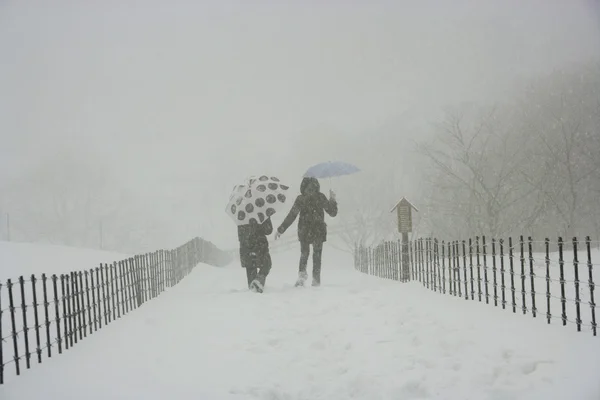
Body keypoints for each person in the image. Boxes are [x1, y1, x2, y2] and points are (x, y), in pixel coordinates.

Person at [274, 177, 337, 287]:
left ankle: (302, 276)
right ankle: (316, 280)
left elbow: (292, 215)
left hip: (305, 231)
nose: (311, 190)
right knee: (316, 256)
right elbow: (332, 213)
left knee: (304, 254)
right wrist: (332, 199)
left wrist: (281, 229)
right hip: (318, 230)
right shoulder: (320, 197)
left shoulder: (301, 198)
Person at [238, 217, 273, 293]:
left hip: (246, 247)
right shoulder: (260, 211)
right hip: (259, 246)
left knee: (251, 270)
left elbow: (241, 235)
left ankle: (254, 287)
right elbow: (268, 230)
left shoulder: (242, 213)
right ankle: (258, 281)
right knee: (267, 264)